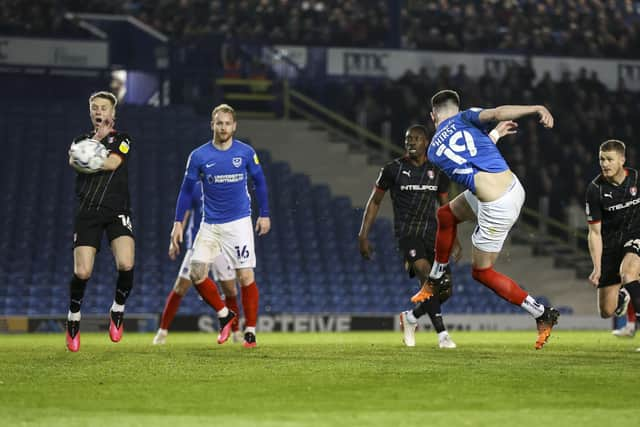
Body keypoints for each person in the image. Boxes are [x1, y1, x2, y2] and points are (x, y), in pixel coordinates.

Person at [425, 89, 560, 350]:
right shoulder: (466, 117)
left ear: (433, 116)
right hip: (513, 187)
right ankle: (436, 276)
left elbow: (465, 159)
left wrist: (495, 135)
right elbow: (497, 114)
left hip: (497, 206)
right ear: (457, 108)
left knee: (481, 272)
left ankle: (542, 313)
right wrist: (535, 107)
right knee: (446, 214)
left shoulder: (433, 151)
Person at [171, 103, 270, 348]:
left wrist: (264, 213)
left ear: (234, 126)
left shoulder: (246, 153)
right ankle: (225, 314)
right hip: (210, 224)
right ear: (212, 125)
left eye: (227, 123)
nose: (223, 127)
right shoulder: (199, 156)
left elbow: (260, 182)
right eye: (219, 123)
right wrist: (177, 223)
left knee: (245, 275)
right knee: (196, 273)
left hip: (239, 223)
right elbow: (185, 191)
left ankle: (250, 331)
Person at [65, 91, 135, 352]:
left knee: (126, 263)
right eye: (94, 107)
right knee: (82, 272)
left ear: (112, 113)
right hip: (88, 211)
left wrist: (88, 158)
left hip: (117, 209)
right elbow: (73, 160)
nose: (98, 112)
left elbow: (112, 163)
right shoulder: (81, 139)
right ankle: (73, 317)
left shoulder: (123, 139)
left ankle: (117, 309)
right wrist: (93, 146)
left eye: (103, 108)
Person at [153, 181, 243, 345]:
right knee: (180, 287)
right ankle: (162, 332)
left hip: (221, 245)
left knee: (230, 289)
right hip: (198, 243)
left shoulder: (228, 184)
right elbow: (184, 214)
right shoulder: (196, 187)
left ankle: (236, 332)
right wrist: (174, 240)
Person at [586, 139, 640, 349]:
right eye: (601, 159)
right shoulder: (595, 190)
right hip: (611, 246)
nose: (604, 164)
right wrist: (597, 267)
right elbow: (595, 232)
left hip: (635, 237)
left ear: (622, 160)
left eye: (609, 159)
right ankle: (623, 295)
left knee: (628, 273)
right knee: (607, 311)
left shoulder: (636, 178)